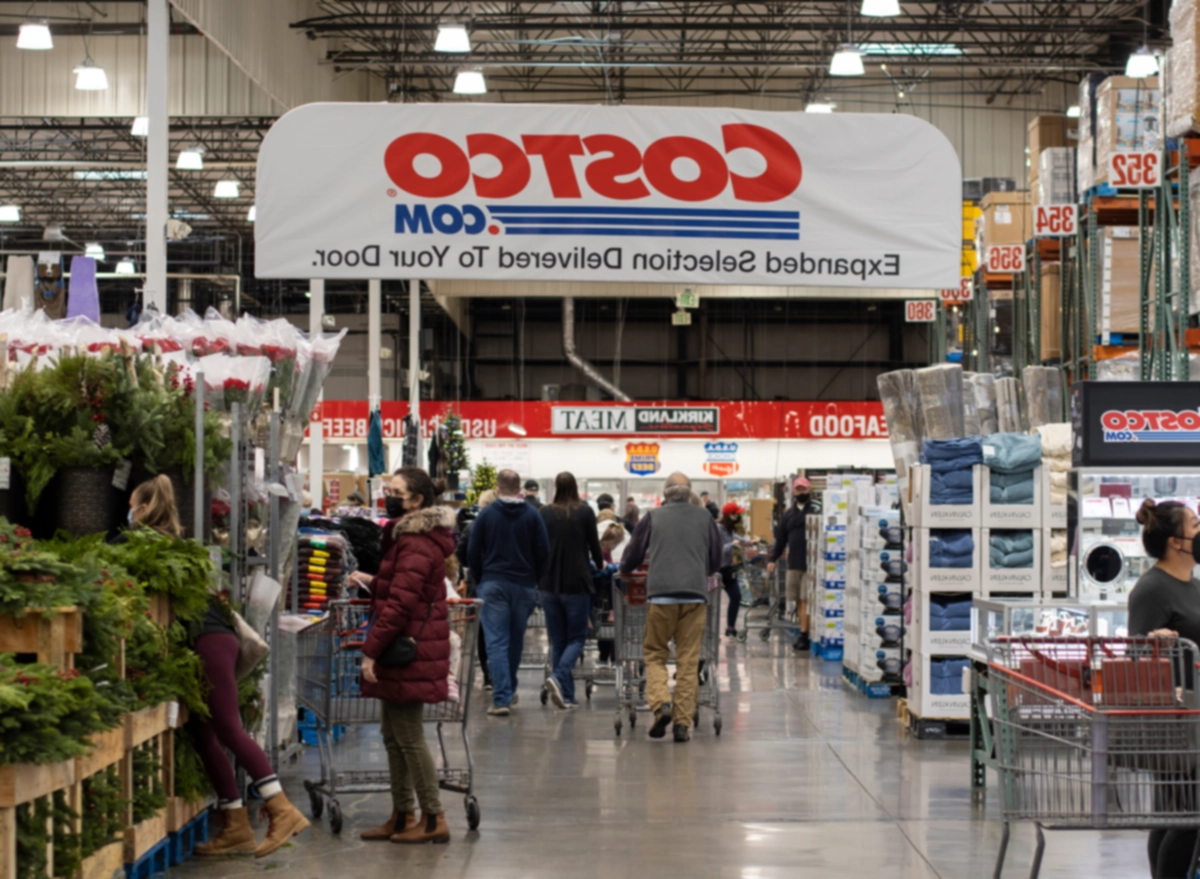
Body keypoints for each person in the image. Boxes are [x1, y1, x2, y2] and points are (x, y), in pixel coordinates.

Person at [116, 477, 309, 859]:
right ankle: (235, 825)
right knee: (204, 735)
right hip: (212, 641)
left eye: (131, 506)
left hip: (208, 642)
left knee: (228, 729)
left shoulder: (138, 545)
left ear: (140, 510)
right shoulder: (176, 546)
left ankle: (282, 810)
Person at [359, 467, 455, 845]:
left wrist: (370, 653)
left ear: (416, 501)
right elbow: (400, 585)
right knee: (392, 734)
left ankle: (433, 817)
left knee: (409, 736)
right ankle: (402, 814)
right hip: (408, 648)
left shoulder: (416, 542)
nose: (388, 494)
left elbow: (400, 604)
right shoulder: (410, 538)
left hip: (409, 649)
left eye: (395, 491)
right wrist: (372, 580)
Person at [1128, 499, 1200, 878]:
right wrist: (1153, 642)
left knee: (1176, 813)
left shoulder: (1193, 585)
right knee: (1187, 816)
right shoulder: (1152, 588)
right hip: (1173, 722)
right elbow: (1133, 656)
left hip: (1195, 716)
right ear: (1176, 541)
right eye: (1194, 524)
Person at [620, 472, 722, 743]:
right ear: (691, 494)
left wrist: (624, 571)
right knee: (688, 661)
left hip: (661, 596)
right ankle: (682, 725)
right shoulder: (705, 518)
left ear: (664, 494)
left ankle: (661, 704)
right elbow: (715, 558)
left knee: (654, 654)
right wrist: (703, 570)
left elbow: (633, 553)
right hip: (694, 597)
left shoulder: (653, 516)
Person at [468, 469, 551, 716]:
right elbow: (544, 551)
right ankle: (508, 690)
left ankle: (502, 697)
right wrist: (535, 578)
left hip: (493, 584)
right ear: (519, 489)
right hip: (524, 586)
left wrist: (480, 578)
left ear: (497, 487)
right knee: (515, 641)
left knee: (496, 642)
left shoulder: (486, 514)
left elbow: (473, 550)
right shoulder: (533, 515)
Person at [538, 472, 605, 709]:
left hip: (548, 583)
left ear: (556, 487)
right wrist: (599, 564)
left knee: (558, 640)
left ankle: (567, 695)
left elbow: (538, 546)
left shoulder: (544, 512)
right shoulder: (585, 511)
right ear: (575, 487)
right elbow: (594, 546)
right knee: (577, 638)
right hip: (577, 583)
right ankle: (558, 679)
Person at [767, 476, 815, 652]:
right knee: (796, 600)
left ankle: (805, 636)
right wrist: (773, 559)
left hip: (812, 565)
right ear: (793, 491)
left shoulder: (816, 511)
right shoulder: (788, 515)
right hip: (794, 564)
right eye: (798, 489)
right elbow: (781, 540)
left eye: (804, 489)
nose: (801, 492)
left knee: (805, 601)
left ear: (809, 490)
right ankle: (803, 634)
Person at [456, 489, 496, 690]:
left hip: (477, 584)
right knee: (498, 629)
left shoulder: (471, 527)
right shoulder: (502, 526)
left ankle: (488, 675)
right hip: (499, 581)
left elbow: (461, 553)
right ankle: (497, 673)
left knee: (480, 631)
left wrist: (472, 569)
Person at [718, 502, 757, 637]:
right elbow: (717, 549)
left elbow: (737, 539)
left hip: (728, 569)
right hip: (716, 571)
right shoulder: (717, 529)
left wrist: (750, 542)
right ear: (730, 515)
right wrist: (731, 545)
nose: (738, 517)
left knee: (736, 597)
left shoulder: (730, 530)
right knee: (712, 601)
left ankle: (730, 627)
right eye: (737, 515)